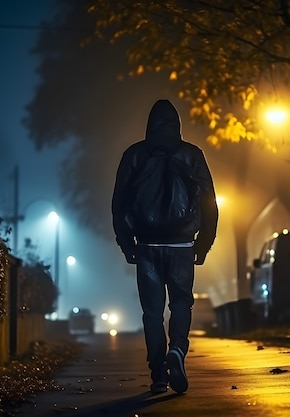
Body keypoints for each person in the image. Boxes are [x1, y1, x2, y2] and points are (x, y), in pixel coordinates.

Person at [111, 99, 219, 394]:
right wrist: (204, 244)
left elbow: (119, 204)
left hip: (146, 245)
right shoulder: (191, 154)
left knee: (152, 312)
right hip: (183, 245)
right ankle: (178, 351)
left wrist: (126, 243)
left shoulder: (134, 155)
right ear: (177, 125)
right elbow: (210, 203)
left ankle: (158, 373)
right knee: (182, 303)